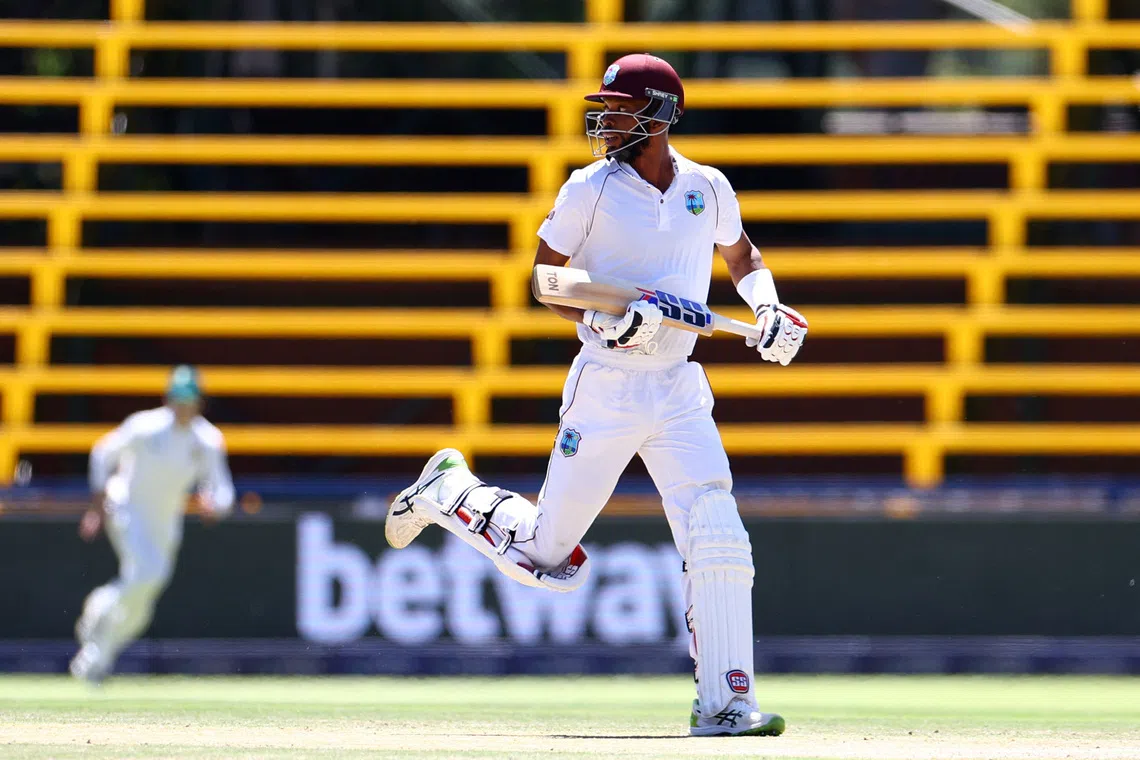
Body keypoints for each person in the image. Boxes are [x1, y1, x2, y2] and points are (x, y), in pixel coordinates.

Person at [385, 54, 806, 736]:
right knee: (547, 559)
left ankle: (725, 706)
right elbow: (545, 279)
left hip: (678, 389)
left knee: (717, 531)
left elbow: (743, 258)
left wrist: (769, 310)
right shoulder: (591, 188)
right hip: (607, 386)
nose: (605, 120)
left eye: (619, 108)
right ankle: (449, 492)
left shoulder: (708, 187)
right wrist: (603, 323)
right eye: (604, 108)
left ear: (661, 115)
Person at [69, 365, 235, 683]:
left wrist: (216, 506)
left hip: (165, 522)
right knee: (146, 575)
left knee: (144, 601)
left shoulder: (208, 440)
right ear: (168, 399)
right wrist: (98, 502)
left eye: (190, 400)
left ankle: (97, 650)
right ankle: (95, 627)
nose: (184, 407)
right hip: (127, 508)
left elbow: (222, 489)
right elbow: (103, 453)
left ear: (200, 402)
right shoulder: (145, 427)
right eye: (179, 399)